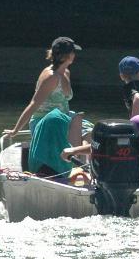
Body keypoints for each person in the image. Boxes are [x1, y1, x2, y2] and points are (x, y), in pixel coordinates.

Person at [5, 36, 86, 178]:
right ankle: (71, 167)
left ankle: (83, 168)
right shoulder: (51, 77)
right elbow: (34, 104)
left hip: (63, 118)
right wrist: (16, 129)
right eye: (73, 52)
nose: (75, 55)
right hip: (46, 123)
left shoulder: (66, 72)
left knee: (88, 128)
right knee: (62, 120)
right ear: (67, 55)